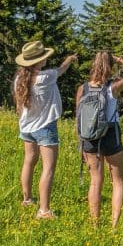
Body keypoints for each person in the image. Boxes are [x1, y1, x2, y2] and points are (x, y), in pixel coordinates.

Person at [76, 51, 123, 228]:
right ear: (110, 66)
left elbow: (78, 119)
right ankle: (114, 226)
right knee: (118, 181)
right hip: (111, 133)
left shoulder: (82, 88)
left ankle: (95, 225)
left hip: (89, 137)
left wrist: (81, 145)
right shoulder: (113, 87)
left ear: (93, 65)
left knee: (95, 181)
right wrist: (120, 59)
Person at [13, 41, 78, 219]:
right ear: (39, 61)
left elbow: (19, 106)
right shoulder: (47, 77)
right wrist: (70, 59)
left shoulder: (19, 79)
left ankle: (27, 200)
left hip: (26, 126)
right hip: (45, 127)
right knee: (48, 168)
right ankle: (44, 210)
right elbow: (62, 69)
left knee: (29, 162)